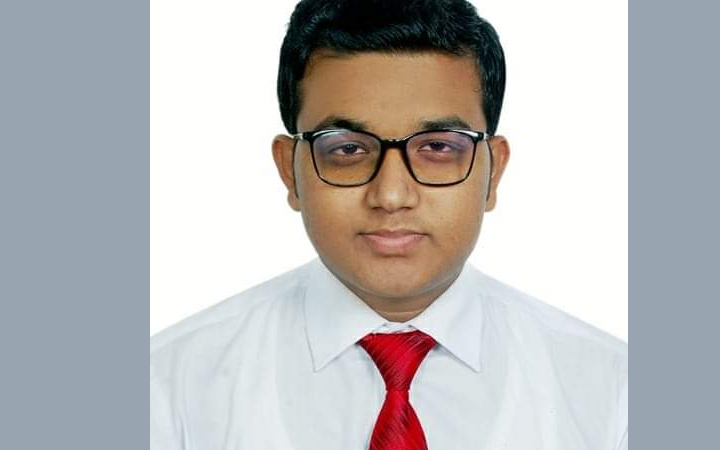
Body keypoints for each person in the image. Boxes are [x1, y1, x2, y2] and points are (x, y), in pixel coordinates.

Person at [150, 0, 628, 449]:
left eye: (438, 146)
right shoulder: (167, 390)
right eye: (347, 148)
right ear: (289, 170)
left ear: (493, 172)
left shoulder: (613, 393)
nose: (392, 196)